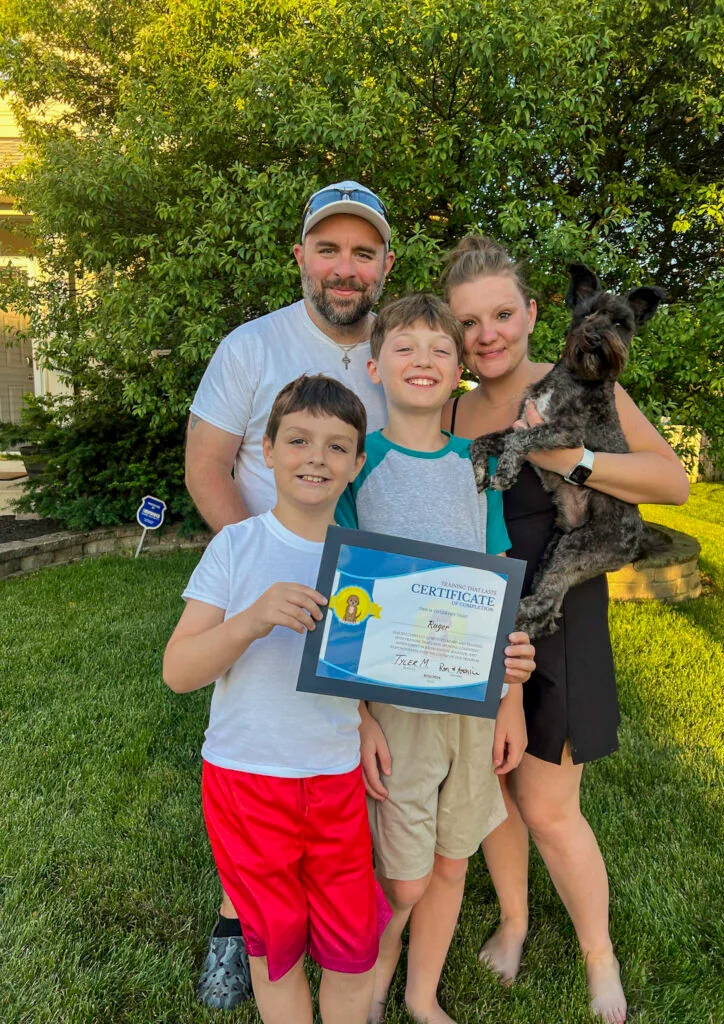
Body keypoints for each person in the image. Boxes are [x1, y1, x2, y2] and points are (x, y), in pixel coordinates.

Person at [440, 236, 690, 1024]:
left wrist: (573, 458)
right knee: (494, 797)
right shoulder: (448, 406)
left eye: (502, 314)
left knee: (548, 805)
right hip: (477, 615)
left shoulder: (575, 385)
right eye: (470, 320)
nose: (488, 334)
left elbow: (671, 481)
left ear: (534, 314)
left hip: (558, 610)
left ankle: (599, 959)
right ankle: (513, 922)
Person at [185, 181, 395, 1008]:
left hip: (359, 601)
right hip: (265, 589)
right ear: (302, 256)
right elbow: (208, 465)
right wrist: (260, 564)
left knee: (326, 775)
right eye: (330, 249)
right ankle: (238, 924)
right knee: (250, 768)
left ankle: (338, 931)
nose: (346, 269)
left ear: (383, 265)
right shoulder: (251, 346)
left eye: (363, 252)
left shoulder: (404, 350)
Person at [164, 375, 392, 1024]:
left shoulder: (367, 563)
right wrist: (252, 619)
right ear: (266, 450)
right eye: (298, 440)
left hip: (335, 777)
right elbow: (179, 671)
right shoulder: (235, 547)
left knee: (352, 951)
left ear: (356, 464)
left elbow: (375, 664)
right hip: (246, 781)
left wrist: (369, 717)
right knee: (276, 952)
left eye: (336, 446)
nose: (316, 457)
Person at [335, 293, 537, 1024]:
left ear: (459, 371)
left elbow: (498, 579)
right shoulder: (359, 467)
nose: (423, 360)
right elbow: (344, 600)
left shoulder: (475, 468)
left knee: (453, 861)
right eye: (405, 347)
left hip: (474, 704)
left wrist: (510, 700)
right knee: (405, 879)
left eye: (439, 350)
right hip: (396, 711)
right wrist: (360, 717)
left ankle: (421, 996)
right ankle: (370, 989)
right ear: (374, 365)